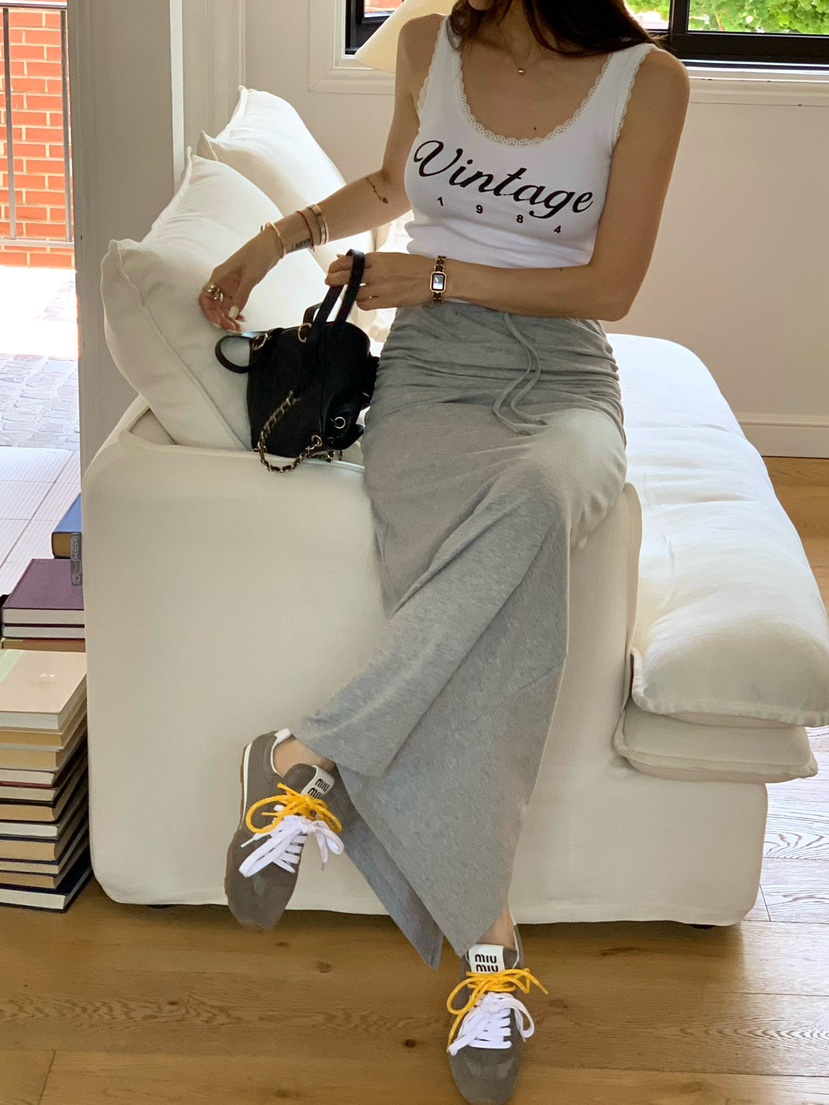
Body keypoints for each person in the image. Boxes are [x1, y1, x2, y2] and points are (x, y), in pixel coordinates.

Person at [199, 1, 690, 1101]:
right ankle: (489, 950)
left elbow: (611, 287)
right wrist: (278, 238)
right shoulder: (428, 43)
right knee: (502, 628)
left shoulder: (649, 81)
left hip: (565, 373)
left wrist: (437, 277)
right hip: (430, 376)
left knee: (541, 497)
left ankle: (312, 752)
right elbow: (394, 185)